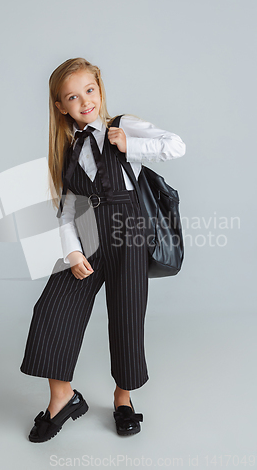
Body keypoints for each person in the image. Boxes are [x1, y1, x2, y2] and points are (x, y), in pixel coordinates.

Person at [20, 57, 186, 442]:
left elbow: (176, 146)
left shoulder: (122, 125)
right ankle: (63, 398)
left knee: (126, 318)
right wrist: (73, 252)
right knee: (52, 307)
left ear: (100, 88)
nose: (84, 101)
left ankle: (123, 398)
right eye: (72, 97)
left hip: (130, 236)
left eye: (89, 91)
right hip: (88, 240)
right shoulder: (66, 148)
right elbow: (67, 208)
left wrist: (132, 144)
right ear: (60, 105)